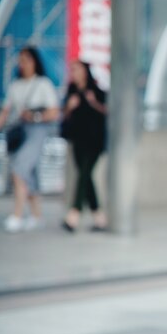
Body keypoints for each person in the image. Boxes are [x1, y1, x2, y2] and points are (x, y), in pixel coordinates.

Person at [0, 46, 59, 232]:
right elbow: (5, 111)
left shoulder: (43, 84)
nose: (22, 64)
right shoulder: (15, 86)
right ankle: (36, 215)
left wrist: (35, 117)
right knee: (29, 174)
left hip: (37, 132)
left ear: (34, 61)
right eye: (21, 60)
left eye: (26, 59)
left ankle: (17, 215)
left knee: (19, 169)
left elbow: (54, 111)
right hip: (19, 133)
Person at [61, 60, 107, 232]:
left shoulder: (97, 91)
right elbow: (63, 115)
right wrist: (69, 106)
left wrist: (93, 102)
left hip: (94, 141)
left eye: (77, 70)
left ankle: (74, 214)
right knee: (85, 177)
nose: (74, 73)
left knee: (84, 176)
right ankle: (99, 218)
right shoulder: (72, 91)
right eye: (72, 70)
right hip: (77, 139)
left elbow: (109, 111)